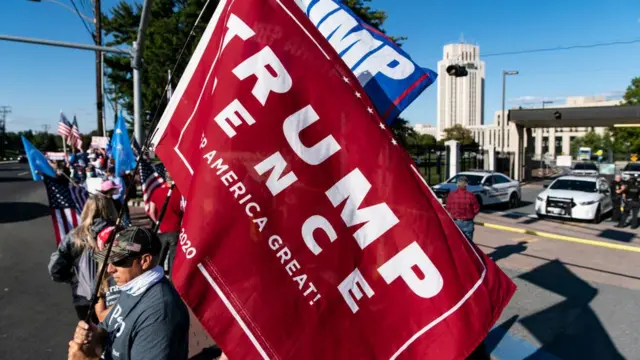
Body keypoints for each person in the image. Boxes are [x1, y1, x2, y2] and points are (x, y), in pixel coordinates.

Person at [68, 226, 190, 360]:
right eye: (109, 260)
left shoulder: (160, 314)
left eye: (118, 261)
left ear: (144, 261)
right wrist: (96, 334)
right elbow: (109, 326)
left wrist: (89, 359)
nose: (110, 269)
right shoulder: (133, 286)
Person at [48, 195, 118, 321]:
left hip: (84, 297)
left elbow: (55, 269)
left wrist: (73, 279)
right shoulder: (119, 233)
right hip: (114, 295)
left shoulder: (74, 237)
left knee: (91, 336)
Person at [148, 172, 183, 277]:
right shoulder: (180, 193)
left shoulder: (157, 192)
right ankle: (172, 280)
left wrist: (157, 222)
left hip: (162, 230)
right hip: (176, 229)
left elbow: (151, 212)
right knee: (173, 259)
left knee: (159, 258)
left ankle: (156, 277)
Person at [445, 176, 481, 241]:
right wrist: (471, 215)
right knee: (469, 245)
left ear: (457, 184)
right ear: (466, 185)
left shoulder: (452, 195)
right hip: (468, 222)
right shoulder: (471, 195)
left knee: (456, 244)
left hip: (456, 222)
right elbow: (476, 209)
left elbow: (448, 208)